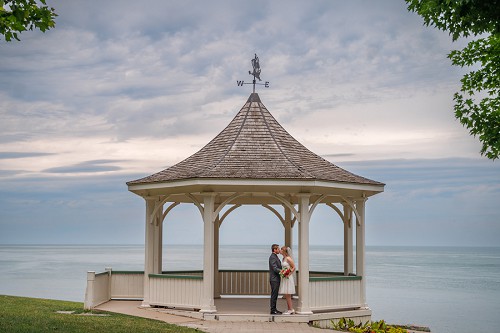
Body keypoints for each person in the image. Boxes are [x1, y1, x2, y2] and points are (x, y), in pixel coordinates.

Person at [279, 246, 296, 315]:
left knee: (288, 294)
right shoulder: (283, 258)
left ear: (285, 251)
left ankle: (291, 309)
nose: (280, 250)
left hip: (288, 278)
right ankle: (289, 308)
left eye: (281, 249)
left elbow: (294, 267)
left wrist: (288, 274)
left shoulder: (288, 258)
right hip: (284, 278)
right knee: (286, 294)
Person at [268, 243, 282, 315]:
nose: (279, 250)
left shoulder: (275, 256)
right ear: (275, 249)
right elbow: (274, 268)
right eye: (278, 249)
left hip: (276, 278)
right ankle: (273, 310)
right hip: (274, 279)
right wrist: (282, 271)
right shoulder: (273, 257)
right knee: (274, 295)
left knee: (275, 295)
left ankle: (274, 309)